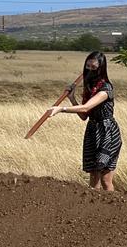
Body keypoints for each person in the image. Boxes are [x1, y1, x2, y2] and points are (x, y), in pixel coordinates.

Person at [47, 50, 122, 191]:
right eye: (88, 67)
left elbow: (85, 107)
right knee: (93, 176)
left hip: (108, 133)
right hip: (93, 131)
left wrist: (61, 109)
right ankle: (94, 207)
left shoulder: (106, 88)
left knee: (105, 178)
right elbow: (84, 115)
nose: (90, 70)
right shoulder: (89, 89)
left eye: (94, 68)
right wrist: (72, 98)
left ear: (101, 69)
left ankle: (110, 207)